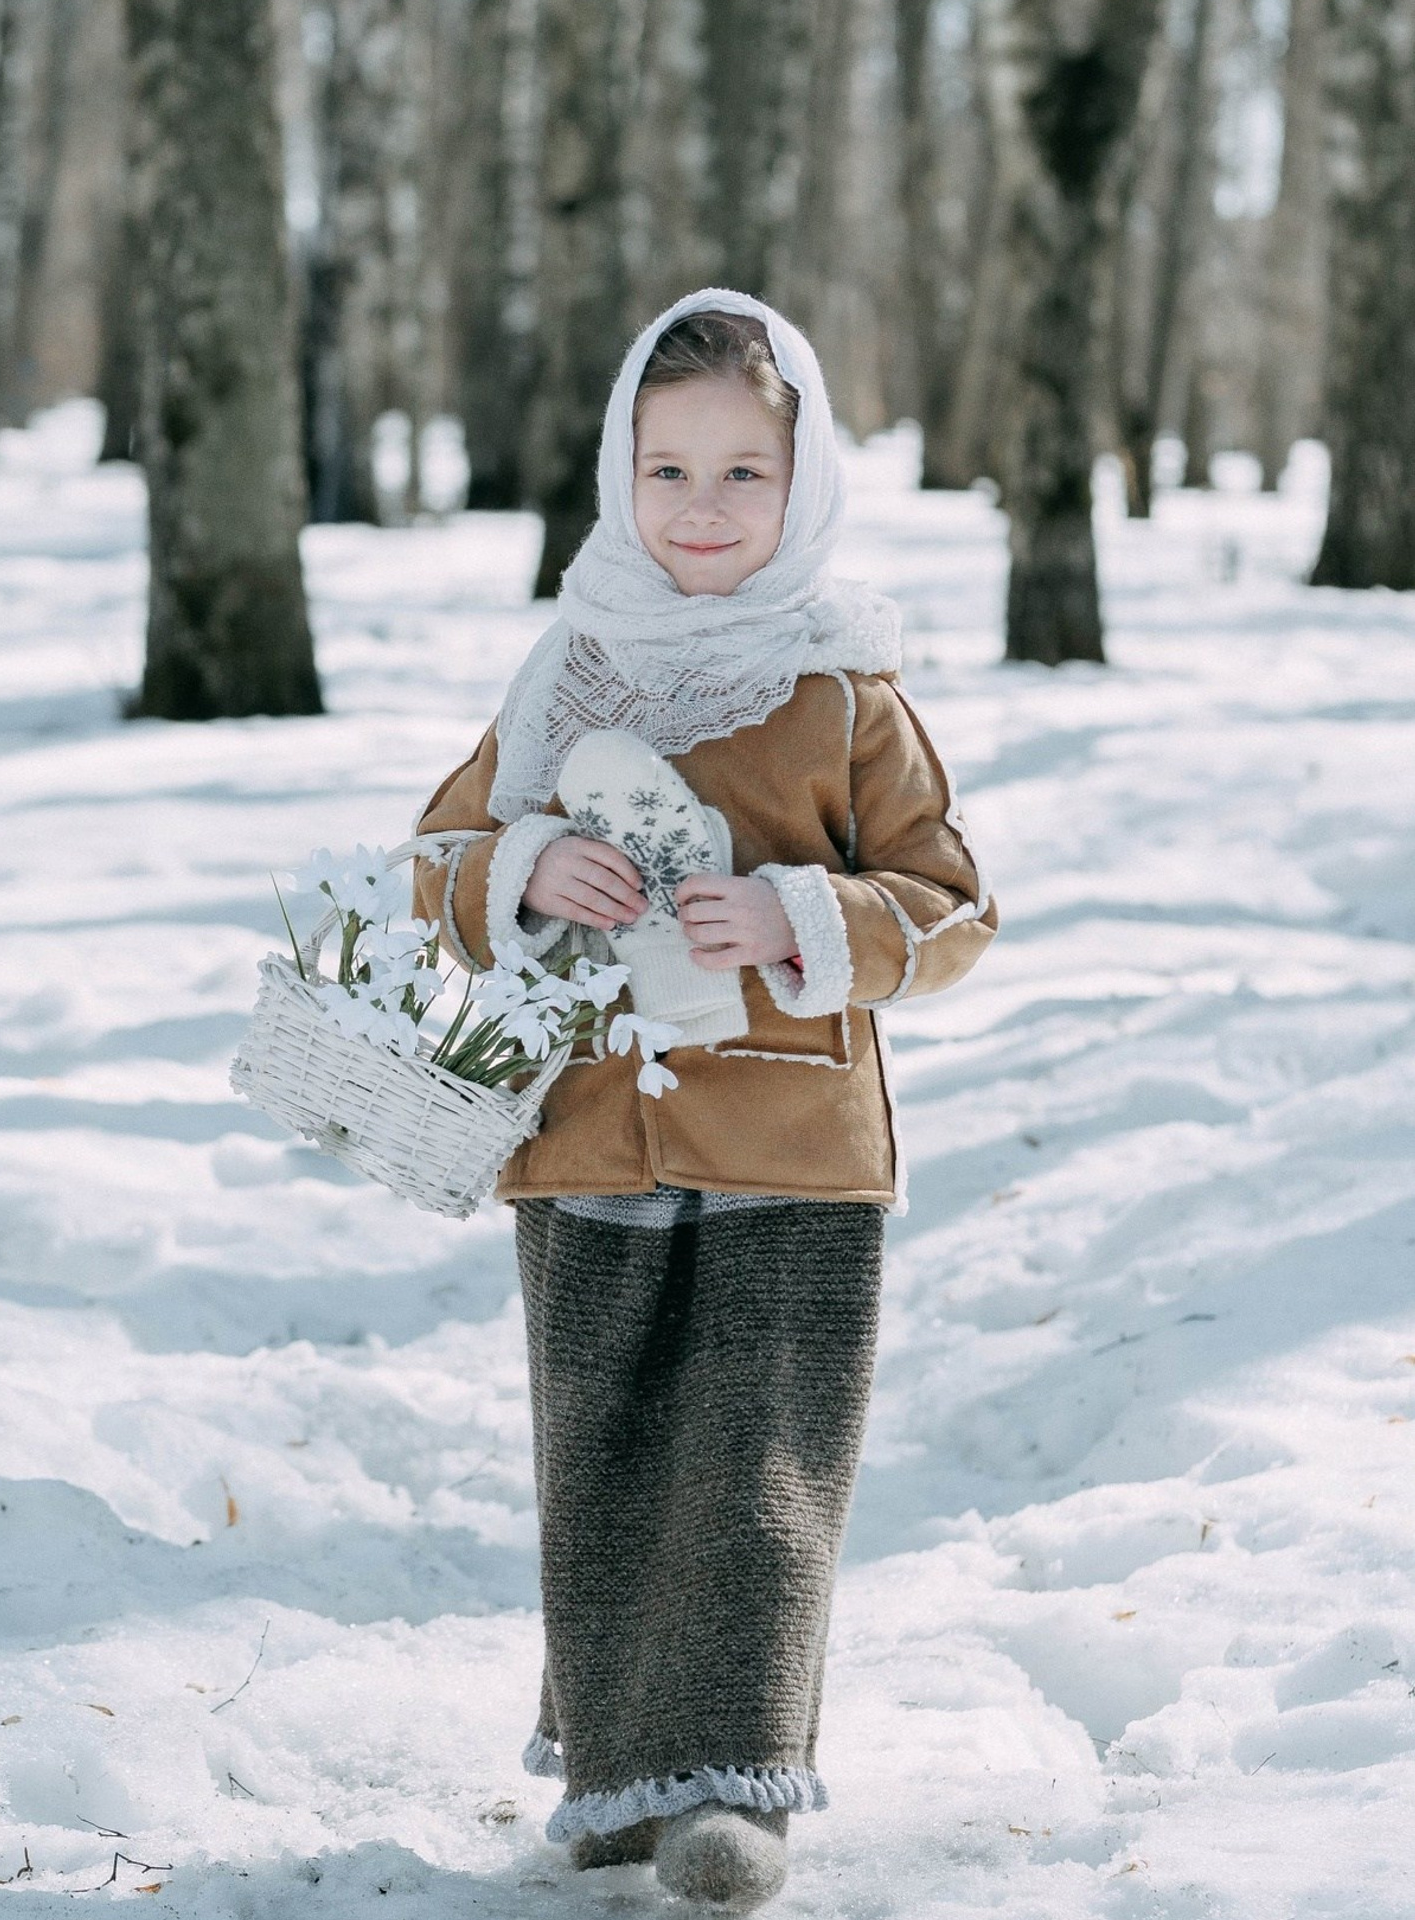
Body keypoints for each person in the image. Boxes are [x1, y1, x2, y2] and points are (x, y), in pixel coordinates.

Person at [411, 288, 996, 1909]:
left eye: (746, 475)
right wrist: (530, 868)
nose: (703, 511)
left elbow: (951, 912)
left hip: (793, 1147)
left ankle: (733, 1794)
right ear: (619, 473)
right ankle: (617, 1777)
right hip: (587, 1134)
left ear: (804, 486)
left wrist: (808, 922)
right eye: (669, 472)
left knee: (757, 1466)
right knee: (604, 1453)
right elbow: (434, 865)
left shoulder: (844, 686)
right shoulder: (568, 668)